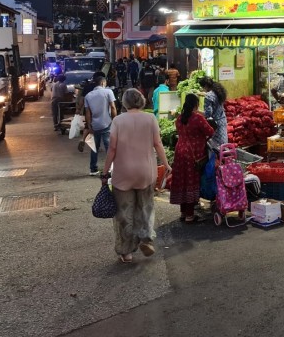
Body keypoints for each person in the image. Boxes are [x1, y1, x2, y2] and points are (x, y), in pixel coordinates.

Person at [101, 88, 170, 263]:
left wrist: (104, 171)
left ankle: (127, 252)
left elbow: (112, 149)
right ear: (140, 101)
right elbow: (158, 144)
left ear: (124, 102)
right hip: (146, 171)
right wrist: (167, 163)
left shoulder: (117, 121)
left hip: (123, 173)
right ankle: (146, 239)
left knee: (124, 212)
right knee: (145, 207)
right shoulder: (150, 118)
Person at [170, 93, 214, 223]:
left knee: (182, 181)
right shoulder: (198, 118)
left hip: (180, 152)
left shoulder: (179, 118)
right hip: (193, 154)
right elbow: (210, 131)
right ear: (196, 104)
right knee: (191, 182)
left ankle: (183, 213)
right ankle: (190, 215)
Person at [84, 74, 117, 176]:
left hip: (95, 125)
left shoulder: (88, 96)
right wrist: (114, 120)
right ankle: (111, 168)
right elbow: (112, 107)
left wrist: (89, 126)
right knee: (109, 146)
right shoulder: (108, 92)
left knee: (94, 147)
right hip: (106, 123)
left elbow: (88, 113)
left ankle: (93, 169)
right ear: (103, 83)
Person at [198, 76, 228, 149]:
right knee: (223, 144)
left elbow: (208, 113)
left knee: (216, 147)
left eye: (202, 87)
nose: (203, 89)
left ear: (205, 86)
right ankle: (225, 158)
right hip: (222, 120)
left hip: (215, 124)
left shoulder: (208, 96)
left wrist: (198, 112)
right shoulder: (218, 91)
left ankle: (217, 160)